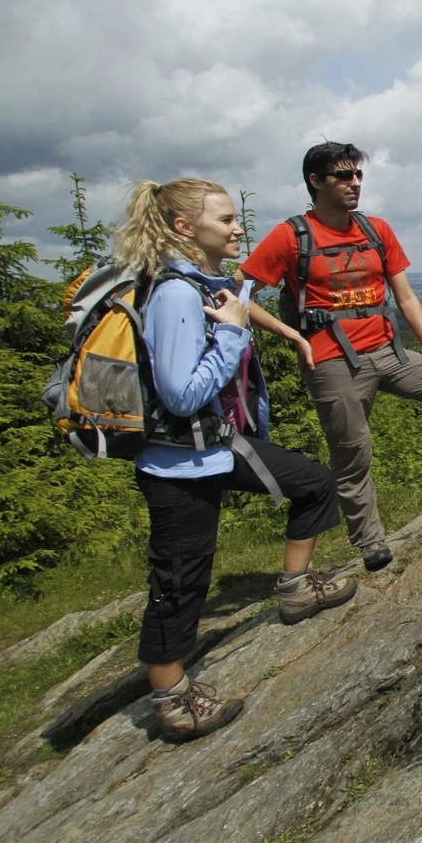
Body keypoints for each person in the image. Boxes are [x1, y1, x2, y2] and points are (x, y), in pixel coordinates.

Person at [116, 178, 353, 743]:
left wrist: (284, 332)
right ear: (183, 228)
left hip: (216, 447)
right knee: (181, 579)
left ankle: (295, 589)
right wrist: (230, 339)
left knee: (316, 483)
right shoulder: (175, 294)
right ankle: (171, 699)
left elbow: (240, 305)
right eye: (225, 220)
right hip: (177, 463)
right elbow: (180, 395)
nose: (237, 227)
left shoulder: (203, 282)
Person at [239, 142, 422, 573]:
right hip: (331, 361)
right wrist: (292, 336)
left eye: (358, 176)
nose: (354, 184)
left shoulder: (376, 230)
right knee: (354, 452)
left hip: (389, 351)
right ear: (315, 181)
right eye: (343, 176)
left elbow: (405, 296)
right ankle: (371, 541)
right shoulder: (291, 235)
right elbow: (239, 293)